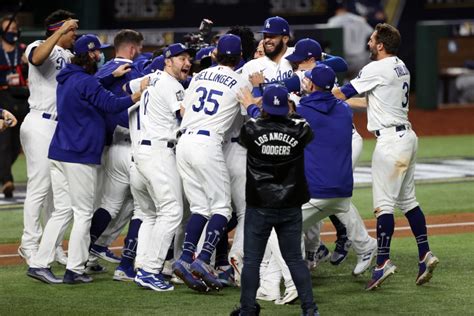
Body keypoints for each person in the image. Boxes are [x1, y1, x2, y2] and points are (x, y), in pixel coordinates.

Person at [26, 34, 141, 284]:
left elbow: (91, 87)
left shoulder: (67, 77)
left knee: (62, 211)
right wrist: (136, 96)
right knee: (83, 213)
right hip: (79, 155)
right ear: (89, 54)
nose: (100, 56)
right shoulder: (85, 82)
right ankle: (75, 270)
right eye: (97, 52)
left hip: (59, 151)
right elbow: (110, 104)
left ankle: (39, 263)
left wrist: (111, 76)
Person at [333, 23, 439, 290]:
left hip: (391, 142)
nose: (368, 44)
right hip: (406, 137)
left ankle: (382, 263)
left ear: (380, 45)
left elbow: (341, 94)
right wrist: (341, 99)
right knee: (408, 201)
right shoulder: (399, 65)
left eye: (371, 40)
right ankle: (425, 254)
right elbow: (371, 101)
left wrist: (316, 88)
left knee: (383, 206)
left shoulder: (375, 68)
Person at [172, 34, 252, 292]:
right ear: (240, 56)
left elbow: (183, 109)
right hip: (207, 144)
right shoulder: (240, 81)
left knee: (199, 208)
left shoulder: (199, 76)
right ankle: (204, 259)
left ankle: (185, 258)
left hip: (183, 142)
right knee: (222, 208)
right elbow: (248, 114)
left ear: (216, 54)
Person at [231, 85, 318, 316]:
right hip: (290, 205)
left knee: (252, 261)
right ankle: (310, 309)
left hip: (260, 205)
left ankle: (248, 310)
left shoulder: (251, 128)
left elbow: (250, 129)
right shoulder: (300, 130)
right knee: (294, 260)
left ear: (265, 107)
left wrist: (252, 105)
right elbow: (304, 127)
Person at [18, 9, 78, 266]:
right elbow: (36, 59)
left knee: (58, 192)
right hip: (40, 122)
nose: (75, 34)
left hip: (60, 127)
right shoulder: (39, 45)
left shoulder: (70, 55)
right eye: (72, 30)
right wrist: (62, 30)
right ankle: (29, 244)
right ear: (59, 29)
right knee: (40, 187)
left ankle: (52, 246)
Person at [132, 42, 193, 292]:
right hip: (158, 151)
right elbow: (185, 115)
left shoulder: (152, 77)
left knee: (154, 213)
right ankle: (149, 271)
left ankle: (143, 265)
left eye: (189, 58)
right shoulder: (171, 84)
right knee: (171, 212)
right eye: (181, 58)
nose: (187, 62)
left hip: (142, 150)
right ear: (168, 61)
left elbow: (130, 87)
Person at [0, 15, 28, 198]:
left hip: (22, 97)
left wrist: (27, 64)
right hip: (3, 96)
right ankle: (7, 180)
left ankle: (4, 175)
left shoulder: (23, 50)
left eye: (13, 30)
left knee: (17, 144)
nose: (11, 33)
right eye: (7, 30)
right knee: (4, 142)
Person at [328, 1, 373, 80]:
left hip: (342, 59)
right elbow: (371, 33)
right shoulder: (360, 20)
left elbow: (329, 38)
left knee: (341, 87)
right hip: (360, 59)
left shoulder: (333, 21)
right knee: (358, 87)